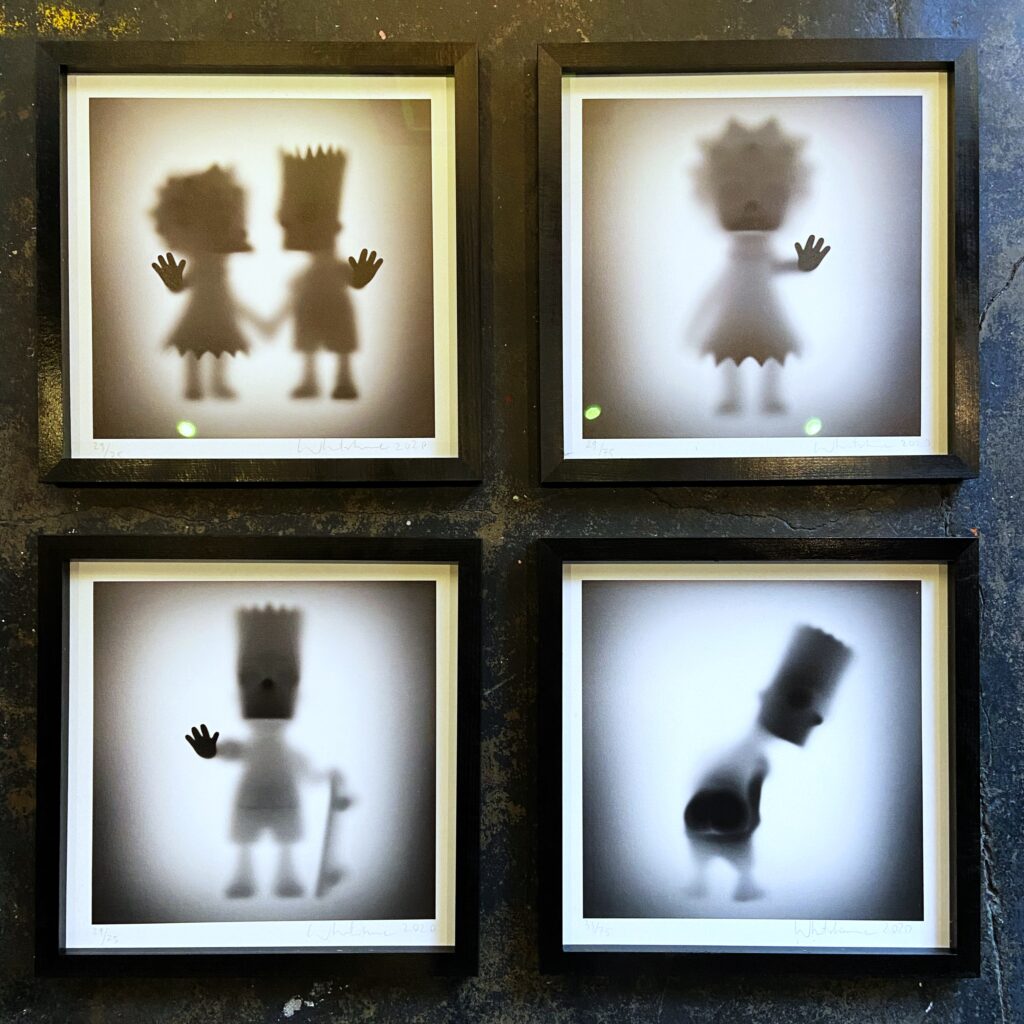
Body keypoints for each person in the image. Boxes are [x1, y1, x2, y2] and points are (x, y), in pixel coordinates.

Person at [264, 146, 383, 399]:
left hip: (333, 308)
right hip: (313, 308)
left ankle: (343, 382)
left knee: (340, 346)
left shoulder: (332, 269)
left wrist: (359, 279)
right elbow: (293, 298)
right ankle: (311, 382)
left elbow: (351, 279)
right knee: (310, 345)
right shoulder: (305, 276)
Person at [150, 165, 254, 400]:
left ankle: (217, 383)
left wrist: (177, 284)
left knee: (218, 346)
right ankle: (195, 385)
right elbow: (188, 283)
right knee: (195, 346)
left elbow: (197, 284)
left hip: (218, 308)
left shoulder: (217, 263)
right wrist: (175, 283)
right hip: (203, 308)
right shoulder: (205, 263)